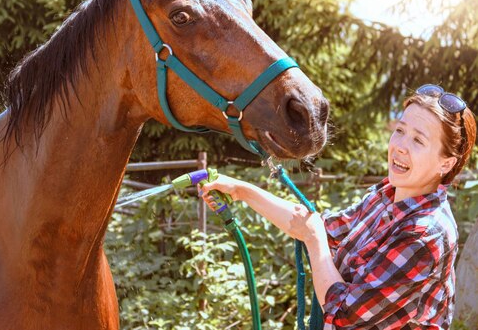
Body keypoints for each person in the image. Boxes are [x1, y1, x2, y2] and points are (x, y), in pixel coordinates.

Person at [199, 85, 476, 329]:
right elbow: (321, 227)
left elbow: (346, 314)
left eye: (418, 140)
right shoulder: (386, 196)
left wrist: (314, 238)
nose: (400, 146)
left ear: (446, 164)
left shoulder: (425, 234)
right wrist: (241, 191)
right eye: (400, 130)